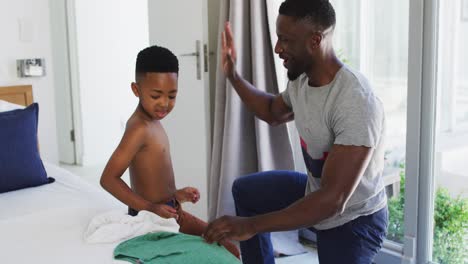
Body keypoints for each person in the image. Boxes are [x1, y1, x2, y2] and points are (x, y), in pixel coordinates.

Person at [203, 0, 388, 263]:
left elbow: (334, 200)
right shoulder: (302, 81)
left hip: (354, 218)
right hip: (317, 191)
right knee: (246, 192)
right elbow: (271, 111)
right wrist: (233, 75)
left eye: (286, 40)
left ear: (315, 41)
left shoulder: (355, 100)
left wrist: (251, 225)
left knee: (255, 220)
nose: (278, 48)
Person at [100, 45, 239, 258]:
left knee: (228, 246)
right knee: (225, 251)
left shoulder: (154, 121)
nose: (164, 104)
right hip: (152, 220)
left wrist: (176, 195)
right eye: (156, 95)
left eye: (171, 95)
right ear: (136, 90)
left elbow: (150, 179)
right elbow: (108, 179)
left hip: (170, 212)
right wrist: (150, 208)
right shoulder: (139, 128)